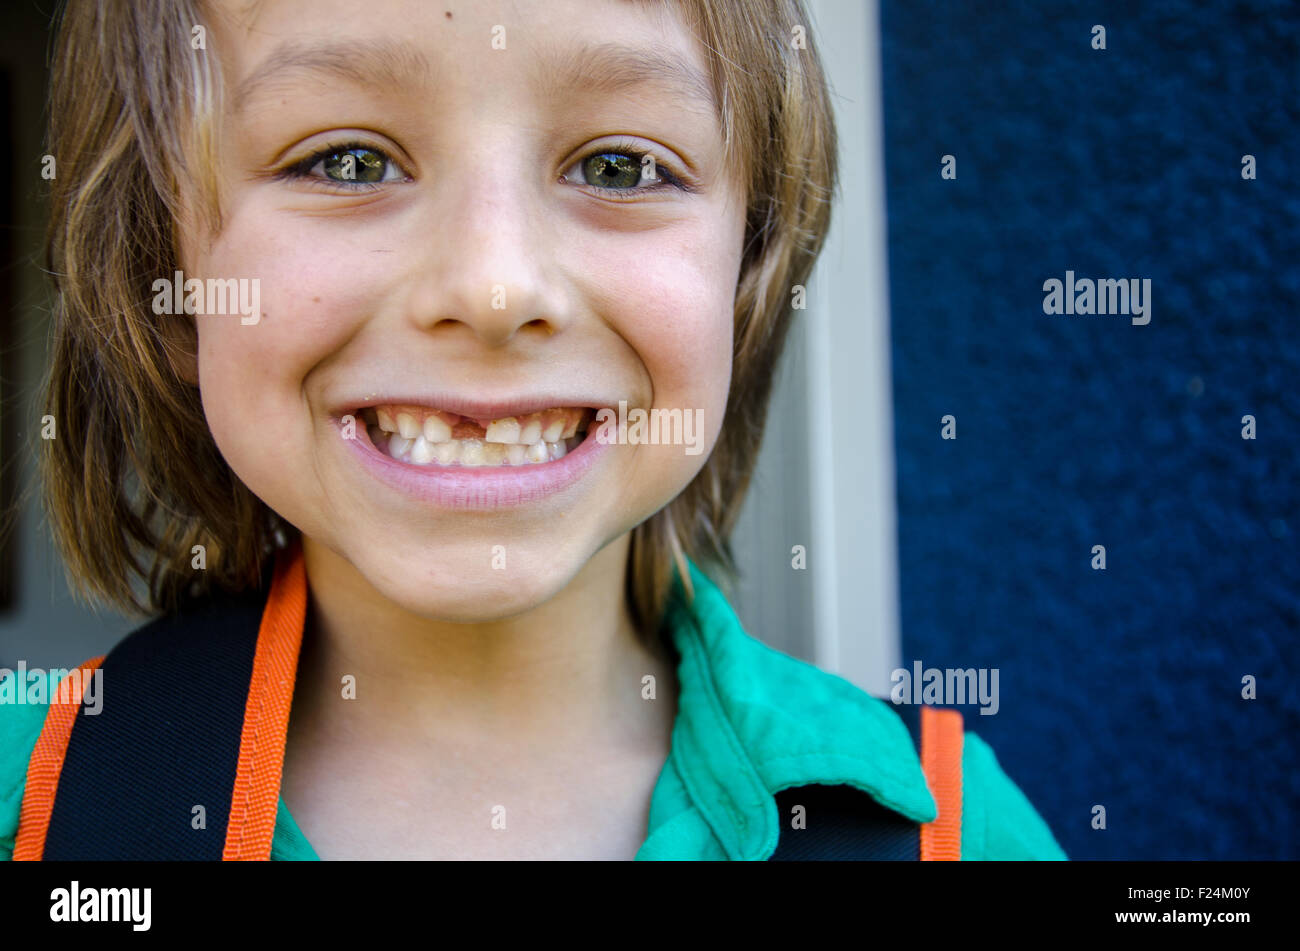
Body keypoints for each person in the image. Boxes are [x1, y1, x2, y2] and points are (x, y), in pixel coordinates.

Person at [1, 0, 1065, 860]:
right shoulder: (36, 808)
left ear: (746, 275)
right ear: (168, 274)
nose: (494, 286)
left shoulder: (939, 830)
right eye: (348, 162)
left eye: (618, 167)